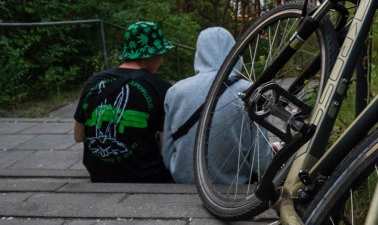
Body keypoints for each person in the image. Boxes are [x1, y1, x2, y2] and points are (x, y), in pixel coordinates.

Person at [163, 26, 269, 185]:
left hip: (185, 183)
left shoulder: (175, 91)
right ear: (235, 52)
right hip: (235, 187)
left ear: (199, 53)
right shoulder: (250, 90)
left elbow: (167, 152)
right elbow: (261, 162)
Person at [74, 21, 174, 183]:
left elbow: (78, 136)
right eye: (161, 54)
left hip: (100, 175)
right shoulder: (162, 88)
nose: (161, 60)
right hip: (147, 177)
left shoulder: (93, 82)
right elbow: (165, 149)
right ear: (151, 54)